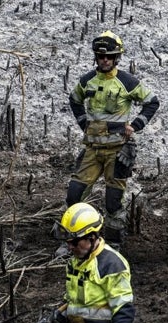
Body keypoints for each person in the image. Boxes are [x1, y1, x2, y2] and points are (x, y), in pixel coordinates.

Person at [64, 31, 159, 247]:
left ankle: (114, 243)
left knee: (113, 201)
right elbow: (74, 99)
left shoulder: (126, 81)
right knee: (74, 195)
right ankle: (70, 238)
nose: (104, 60)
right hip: (92, 150)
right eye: (100, 56)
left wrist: (136, 125)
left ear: (117, 57)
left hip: (117, 152)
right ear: (95, 57)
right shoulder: (87, 81)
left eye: (109, 56)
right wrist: (83, 123)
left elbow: (152, 102)